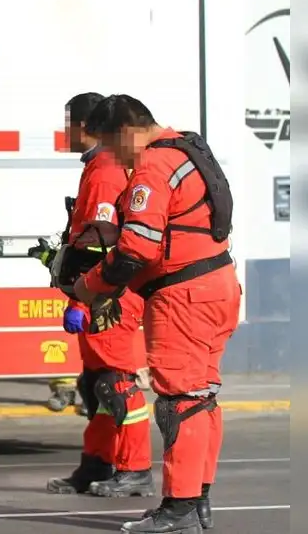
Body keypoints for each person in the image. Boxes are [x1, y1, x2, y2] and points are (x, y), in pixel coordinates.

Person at [73, 94, 239, 533]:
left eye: (112, 144)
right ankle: (197, 501)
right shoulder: (186, 147)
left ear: (127, 131)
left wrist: (92, 287)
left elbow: (138, 248)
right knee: (201, 398)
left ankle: (179, 511)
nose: (113, 156)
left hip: (182, 297)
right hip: (216, 285)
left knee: (178, 402)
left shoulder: (154, 164)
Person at [32, 92, 154, 498]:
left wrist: (81, 298)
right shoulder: (99, 168)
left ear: (85, 127)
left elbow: (101, 244)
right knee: (97, 385)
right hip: (102, 293)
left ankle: (134, 468)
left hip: (108, 297)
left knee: (116, 384)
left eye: (68, 123)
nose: (65, 131)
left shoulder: (103, 170)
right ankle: (96, 462)